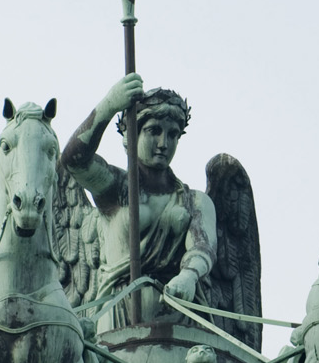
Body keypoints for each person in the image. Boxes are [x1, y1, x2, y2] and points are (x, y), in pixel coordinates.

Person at [61, 73, 217, 327]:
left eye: (173, 134)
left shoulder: (195, 201)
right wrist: (109, 105)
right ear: (132, 134)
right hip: (118, 316)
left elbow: (202, 247)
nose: (163, 143)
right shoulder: (114, 187)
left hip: (180, 318)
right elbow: (73, 160)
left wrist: (189, 275)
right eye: (153, 131)